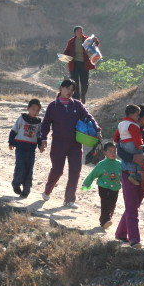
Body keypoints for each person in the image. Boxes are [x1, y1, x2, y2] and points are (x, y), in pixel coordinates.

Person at [40, 79, 101, 208]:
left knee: (75, 171)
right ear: (61, 88)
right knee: (57, 170)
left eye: (72, 90)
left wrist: (97, 130)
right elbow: (45, 124)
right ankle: (47, 191)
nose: (69, 92)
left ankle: (69, 199)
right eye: (67, 88)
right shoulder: (53, 106)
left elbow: (89, 117)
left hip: (75, 144)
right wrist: (43, 138)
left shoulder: (77, 105)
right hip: (58, 143)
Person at [115, 103, 144, 249]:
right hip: (128, 172)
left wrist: (143, 155)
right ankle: (134, 240)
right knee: (132, 207)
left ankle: (121, 232)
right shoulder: (126, 130)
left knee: (134, 205)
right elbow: (119, 150)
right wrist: (133, 158)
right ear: (139, 117)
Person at [81, 142, 122, 230]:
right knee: (105, 203)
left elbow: (123, 177)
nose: (112, 153)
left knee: (112, 205)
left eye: (114, 151)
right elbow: (93, 174)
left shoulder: (119, 164)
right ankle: (105, 221)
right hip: (103, 187)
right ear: (104, 153)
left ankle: (106, 219)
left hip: (115, 188)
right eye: (110, 151)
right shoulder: (101, 164)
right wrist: (86, 184)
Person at [8, 99, 44, 198]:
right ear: (28, 108)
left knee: (29, 169)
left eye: (37, 110)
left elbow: (39, 136)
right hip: (20, 148)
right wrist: (11, 142)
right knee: (20, 167)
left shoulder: (38, 123)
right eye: (33, 109)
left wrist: (40, 146)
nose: (35, 112)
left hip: (31, 150)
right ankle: (16, 184)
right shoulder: (21, 118)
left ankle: (26, 190)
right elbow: (14, 131)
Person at [63, 26, 99, 103]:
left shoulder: (87, 40)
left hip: (84, 64)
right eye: (78, 32)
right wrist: (64, 56)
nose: (80, 34)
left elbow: (95, 46)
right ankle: (77, 99)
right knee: (74, 82)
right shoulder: (71, 41)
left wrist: (96, 41)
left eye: (81, 32)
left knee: (85, 82)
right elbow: (67, 50)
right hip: (74, 64)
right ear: (75, 33)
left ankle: (83, 95)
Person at [114, 104, 144, 185]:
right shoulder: (133, 125)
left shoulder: (121, 124)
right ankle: (137, 174)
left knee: (130, 159)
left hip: (123, 144)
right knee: (138, 157)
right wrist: (139, 145)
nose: (138, 117)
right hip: (131, 144)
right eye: (137, 114)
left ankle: (132, 174)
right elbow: (136, 136)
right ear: (132, 114)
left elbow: (117, 134)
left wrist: (116, 142)